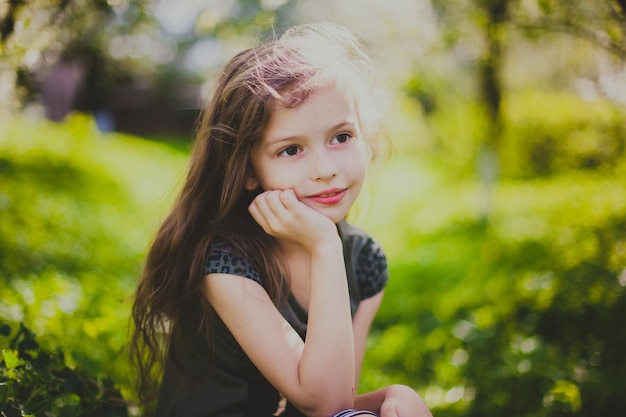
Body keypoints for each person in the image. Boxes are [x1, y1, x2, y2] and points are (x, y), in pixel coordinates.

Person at [130, 22, 433, 417]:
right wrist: (324, 245)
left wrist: (394, 396)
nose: (325, 170)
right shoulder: (224, 261)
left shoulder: (364, 261)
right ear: (249, 171)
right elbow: (325, 401)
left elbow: (335, 401)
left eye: (341, 137)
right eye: (291, 150)